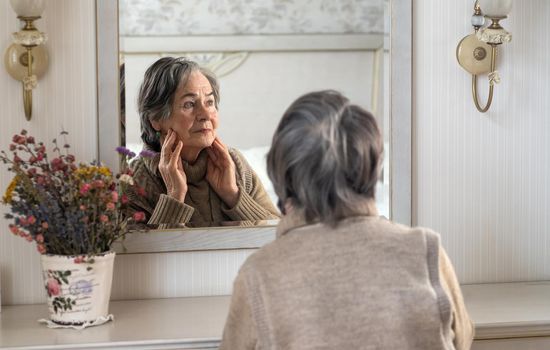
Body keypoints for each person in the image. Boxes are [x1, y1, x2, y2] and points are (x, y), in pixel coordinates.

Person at [219, 91, 474, 349]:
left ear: (281, 173)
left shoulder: (260, 273)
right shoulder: (426, 250)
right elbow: (462, 340)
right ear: (373, 164)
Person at [126, 57, 279, 226]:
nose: (205, 114)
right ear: (155, 119)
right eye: (189, 104)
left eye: (210, 102)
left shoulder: (234, 163)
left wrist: (233, 195)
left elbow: (280, 237)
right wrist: (174, 197)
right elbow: (142, 252)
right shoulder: (133, 182)